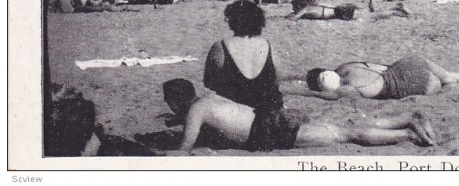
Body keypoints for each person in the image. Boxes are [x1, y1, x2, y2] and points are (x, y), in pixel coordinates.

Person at [163, 78, 435, 151]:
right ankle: (406, 118)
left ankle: (407, 132)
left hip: (269, 131)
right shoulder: (208, 100)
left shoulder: (196, 110)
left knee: (345, 135)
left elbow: (184, 148)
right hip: (274, 117)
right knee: (344, 126)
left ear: (176, 101)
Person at [296, 55, 459, 100]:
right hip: (409, 64)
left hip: (408, 85)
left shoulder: (347, 91)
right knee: (450, 76)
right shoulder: (347, 66)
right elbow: (379, 65)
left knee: (447, 83)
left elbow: (325, 96)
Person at [203, 0, 285, 111]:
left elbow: (209, 82)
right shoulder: (269, 46)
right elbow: (276, 82)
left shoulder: (221, 47)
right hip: (267, 112)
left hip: (235, 112)